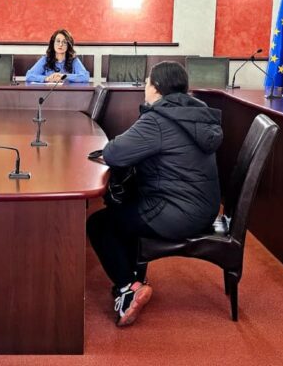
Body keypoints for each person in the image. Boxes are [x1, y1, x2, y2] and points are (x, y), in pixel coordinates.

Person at [87, 61, 223, 326]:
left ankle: (128, 288)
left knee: (99, 224)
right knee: (125, 209)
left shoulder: (159, 119)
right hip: (204, 208)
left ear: (157, 87)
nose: (145, 88)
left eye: (147, 83)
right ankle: (135, 278)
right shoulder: (196, 113)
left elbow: (114, 153)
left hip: (178, 212)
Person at [25, 29, 90, 83]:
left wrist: (63, 76)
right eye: (58, 41)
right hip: (49, 93)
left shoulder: (74, 60)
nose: (60, 44)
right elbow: (29, 76)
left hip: (68, 93)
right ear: (53, 43)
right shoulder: (45, 59)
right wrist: (47, 78)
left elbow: (85, 77)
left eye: (64, 42)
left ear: (68, 45)